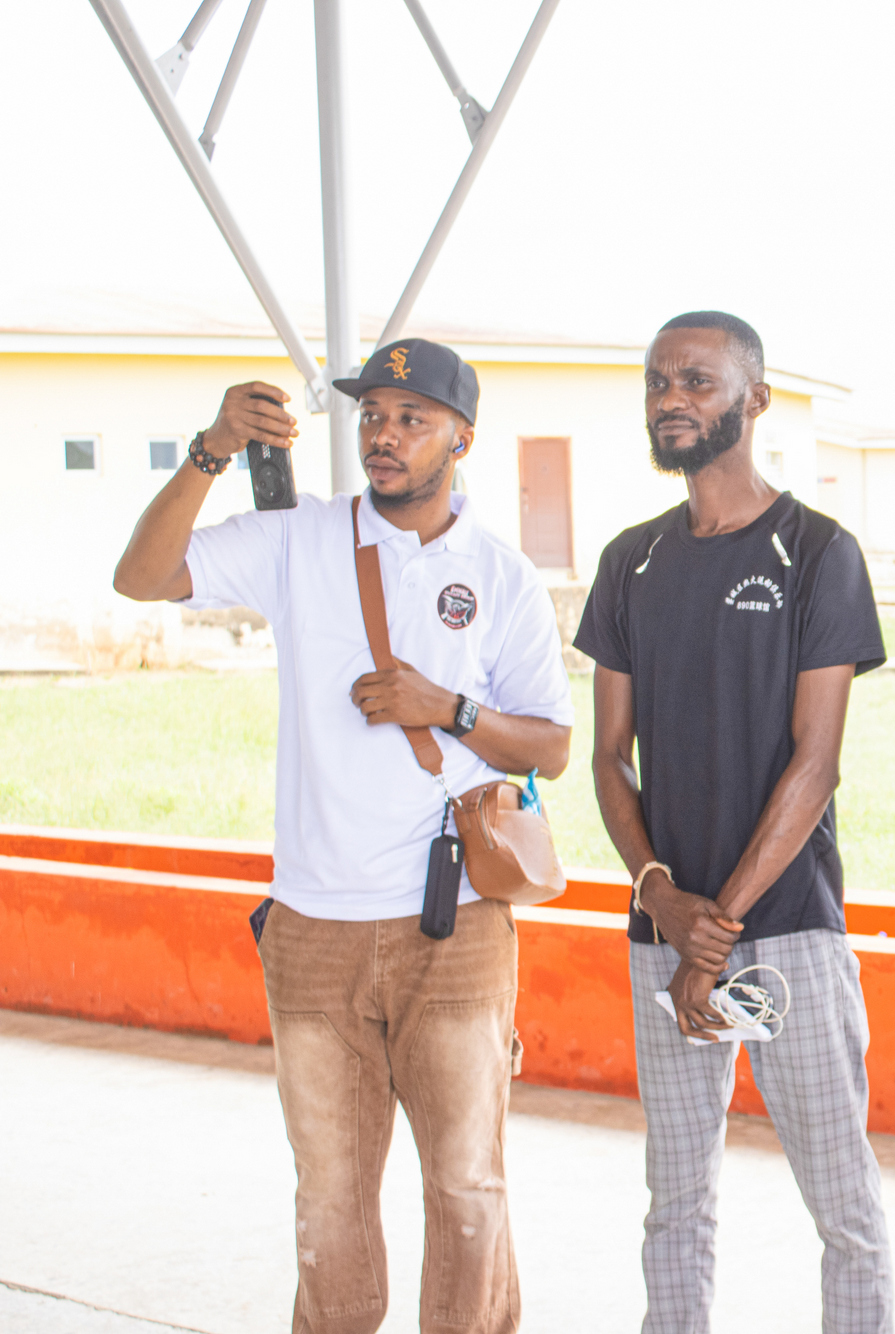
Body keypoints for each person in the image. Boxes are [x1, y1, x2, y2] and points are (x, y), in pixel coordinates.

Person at [111, 338, 575, 1334]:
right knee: (328, 1197)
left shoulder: (501, 574)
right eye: (372, 415)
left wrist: (445, 707)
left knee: (467, 1185)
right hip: (313, 930)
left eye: (411, 418)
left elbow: (551, 743)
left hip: (455, 927)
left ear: (462, 438)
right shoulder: (300, 539)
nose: (384, 435)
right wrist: (210, 450)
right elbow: (142, 577)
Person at [574, 311, 894, 1334]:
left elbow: (816, 763)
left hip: (786, 932)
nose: (671, 399)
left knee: (842, 1206)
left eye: (698, 381)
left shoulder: (818, 551)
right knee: (675, 1202)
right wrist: (661, 897)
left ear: (753, 401)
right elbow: (608, 757)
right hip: (663, 935)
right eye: (658, 381)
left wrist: (715, 930)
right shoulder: (629, 561)